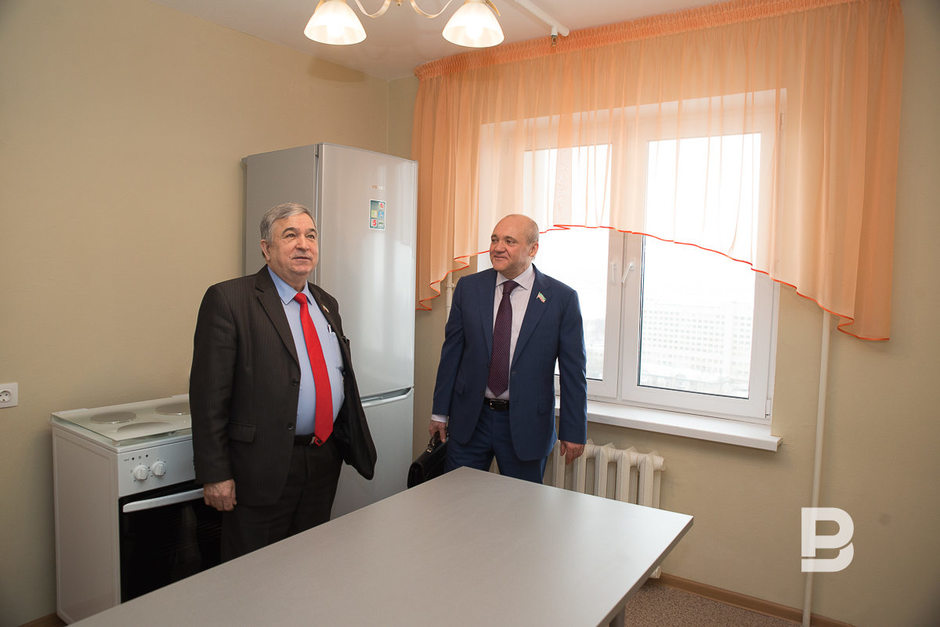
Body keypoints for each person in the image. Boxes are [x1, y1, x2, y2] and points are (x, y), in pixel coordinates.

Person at [190, 202, 376, 561]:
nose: (303, 244)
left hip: (322, 460)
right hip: (261, 467)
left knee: (308, 562)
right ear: (266, 248)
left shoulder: (326, 303)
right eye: (290, 235)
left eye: (311, 235)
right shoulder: (229, 300)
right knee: (254, 570)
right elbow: (208, 396)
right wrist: (215, 473)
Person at [429, 213, 587, 483]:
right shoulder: (469, 288)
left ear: (533, 249)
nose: (498, 247)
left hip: (526, 425)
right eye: (495, 239)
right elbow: (451, 355)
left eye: (509, 241)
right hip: (471, 420)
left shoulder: (561, 299)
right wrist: (439, 413)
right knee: (456, 498)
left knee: (521, 506)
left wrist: (573, 430)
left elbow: (574, 372)